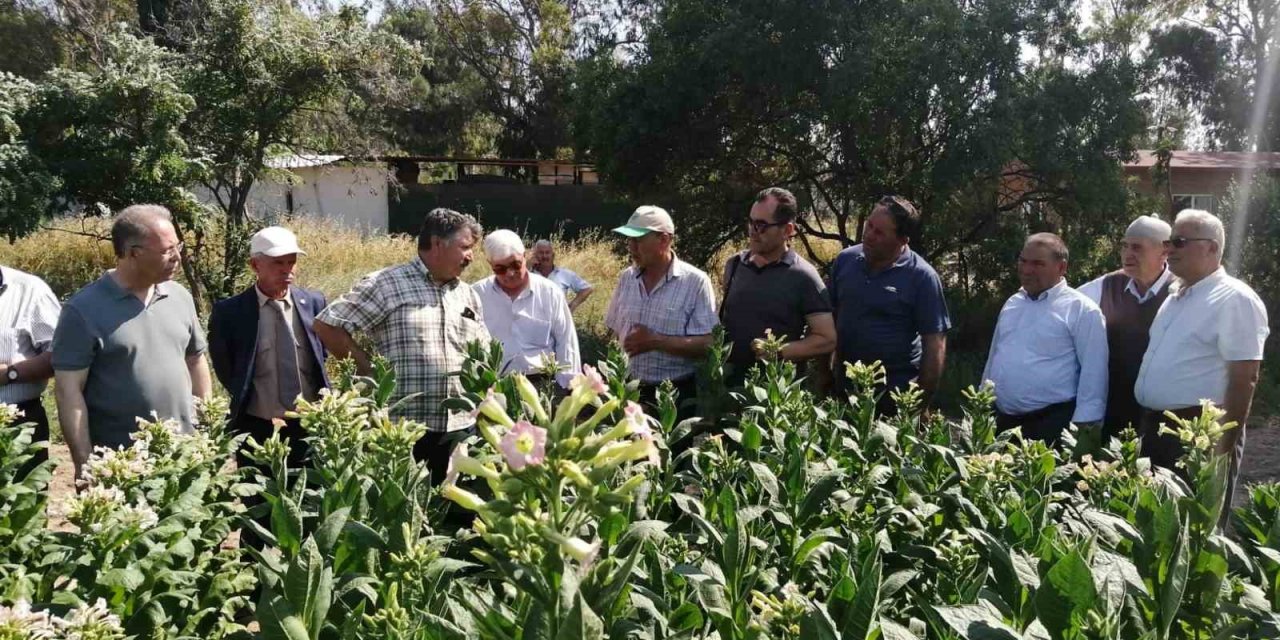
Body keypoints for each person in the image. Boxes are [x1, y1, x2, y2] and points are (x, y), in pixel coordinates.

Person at [314, 208, 489, 483]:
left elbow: (483, 351)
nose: (471, 256)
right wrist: (368, 371)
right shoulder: (387, 284)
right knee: (404, 517)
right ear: (437, 243)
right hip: (402, 432)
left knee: (457, 515)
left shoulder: (467, 294)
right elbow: (328, 324)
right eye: (465, 247)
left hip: (460, 428)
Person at [52, 205, 212, 481]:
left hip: (183, 455)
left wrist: (206, 428)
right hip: (121, 464)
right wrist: (85, 464)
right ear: (133, 253)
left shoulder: (179, 297)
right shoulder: (83, 310)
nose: (177, 257)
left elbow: (195, 360)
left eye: (179, 246)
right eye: (166, 250)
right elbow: (68, 392)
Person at [1135, 209, 1268, 516]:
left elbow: (1244, 379)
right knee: (1158, 532)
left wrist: (1220, 451)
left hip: (1198, 437)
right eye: (1169, 241)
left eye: (1179, 241)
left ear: (1211, 247)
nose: (1168, 249)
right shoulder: (1176, 296)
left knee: (1194, 533)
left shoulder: (1234, 299)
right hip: (1159, 430)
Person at [208, 226, 328, 471]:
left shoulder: (313, 303)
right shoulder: (231, 313)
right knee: (259, 501)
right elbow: (226, 368)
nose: (287, 270)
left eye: (291, 262)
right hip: (257, 428)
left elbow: (321, 356)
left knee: (311, 499)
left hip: (310, 425)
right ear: (255, 265)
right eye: (277, 263)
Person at [982, 233, 1108, 444]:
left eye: (1038, 264)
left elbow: (1094, 374)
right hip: (1001, 422)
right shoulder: (1013, 303)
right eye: (1023, 261)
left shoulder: (1082, 310)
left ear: (1061, 268)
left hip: (1050, 424)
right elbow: (995, 355)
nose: (1027, 270)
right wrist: (982, 402)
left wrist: (1085, 429)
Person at [829, 196, 950, 413]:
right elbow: (828, 319)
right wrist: (825, 377)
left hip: (895, 394)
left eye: (879, 232)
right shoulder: (845, 261)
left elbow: (935, 345)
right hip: (845, 388)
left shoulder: (922, 277)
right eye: (870, 226)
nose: (869, 235)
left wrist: (920, 405)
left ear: (903, 240)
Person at [604, 205, 717, 414]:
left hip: (674, 396)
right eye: (629, 240)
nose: (631, 246)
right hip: (629, 391)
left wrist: (656, 341)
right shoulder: (626, 278)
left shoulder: (695, 282)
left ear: (664, 239)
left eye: (638, 240)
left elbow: (709, 344)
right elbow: (613, 333)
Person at [719, 187, 834, 387]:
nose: (753, 232)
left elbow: (827, 339)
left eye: (762, 226)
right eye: (751, 223)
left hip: (775, 396)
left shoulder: (803, 276)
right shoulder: (734, 265)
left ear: (787, 230)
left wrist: (778, 351)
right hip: (727, 389)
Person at [1077, 215, 1174, 439]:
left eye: (1137, 248)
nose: (1127, 254)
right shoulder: (1107, 286)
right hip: (1115, 408)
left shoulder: (1181, 291)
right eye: (1124, 246)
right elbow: (1066, 308)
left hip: (1164, 414)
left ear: (1164, 251)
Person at [473, 230, 580, 388]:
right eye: (500, 269)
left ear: (525, 256)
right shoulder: (477, 294)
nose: (510, 273)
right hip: (495, 384)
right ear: (490, 264)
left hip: (542, 382)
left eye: (515, 265)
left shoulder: (549, 292)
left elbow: (566, 341)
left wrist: (570, 387)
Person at [0, 264, 60, 474]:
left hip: (17, 426)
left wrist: (9, 374)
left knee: (19, 503)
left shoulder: (30, 290)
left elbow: (61, 354)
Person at [530, 239, 594, 312]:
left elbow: (587, 288)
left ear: (553, 256)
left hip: (557, 320)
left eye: (547, 253)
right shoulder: (528, 274)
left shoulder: (564, 274)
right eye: (541, 253)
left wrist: (573, 304)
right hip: (533, 320)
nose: (544, 256)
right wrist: (528, 265)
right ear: (534, 256)